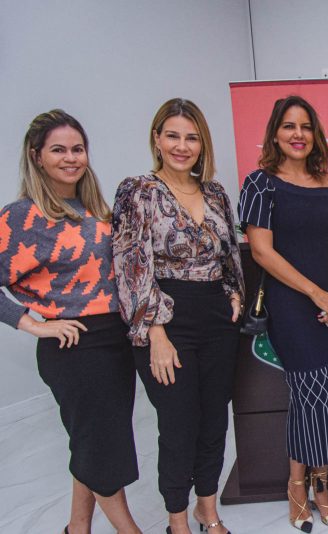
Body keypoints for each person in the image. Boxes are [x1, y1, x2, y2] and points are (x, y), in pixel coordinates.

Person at [0, 110, 141, 534]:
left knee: (95, 443)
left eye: (77, 149)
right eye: (58, 150)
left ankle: (77, 527)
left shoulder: (95, 209)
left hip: (115, 341)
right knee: (102, 449)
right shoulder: (21, 216)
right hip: (74, 346)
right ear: (37, 156)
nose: (70, 158)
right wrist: (33, 324)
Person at [112, 98, 243, 534]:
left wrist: (233, 295)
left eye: (192, 138)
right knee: (178, 424)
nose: (182, 146)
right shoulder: (138, 191)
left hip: (217, 320)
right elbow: (131, 265)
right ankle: (177, 520)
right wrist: (156, 333)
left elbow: (229, 256)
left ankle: (208, 509)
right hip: (166, 320)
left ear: (203, 144)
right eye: (172, 136)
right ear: (157, 139)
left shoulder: (216, 193)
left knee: (214, 419)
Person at [238, 95, 328, 532]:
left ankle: (322, 486)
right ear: (274, 134)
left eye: (305, 126)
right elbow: (262, 252)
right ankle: (296, 486)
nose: (298, 134)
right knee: (309, 395)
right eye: (289, 126)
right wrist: (316, 294)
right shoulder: (260, 184)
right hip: (292, 305)